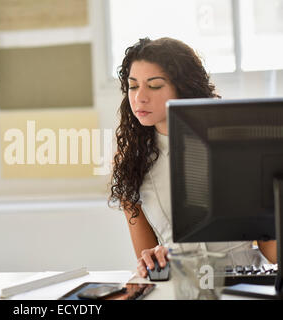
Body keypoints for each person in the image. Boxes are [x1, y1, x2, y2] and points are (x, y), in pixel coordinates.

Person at [109, 37, 276, 278]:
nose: (139, 97)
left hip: (242, 283)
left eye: (154, 85)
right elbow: (147, 257)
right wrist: (152, 258)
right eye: (133, 85)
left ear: (183, 87)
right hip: (182, 284)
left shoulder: (233, 146)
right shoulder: (130, 162)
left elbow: (270, 249)